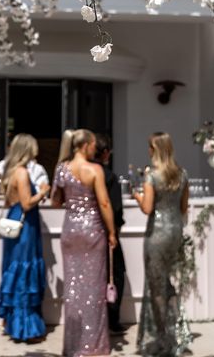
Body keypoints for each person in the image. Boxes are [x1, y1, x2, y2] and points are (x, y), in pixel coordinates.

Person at [51, 128, 117, 357]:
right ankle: (93, 345)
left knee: (73, 288)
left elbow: (55, 202)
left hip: (70, 230)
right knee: (94, 289)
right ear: (86, 145)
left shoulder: (61, 169)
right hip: (92, 231)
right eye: (92, 144)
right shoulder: (95, 169)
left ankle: (74, 344)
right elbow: (105, 203)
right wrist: (112, 232)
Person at [132, 132, 192, 357]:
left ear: (155, 150)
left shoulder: (152, 176)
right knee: (166, 283)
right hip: (175, 231)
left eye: (150, 147)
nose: (148, 151)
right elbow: (184, 207)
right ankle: (175, 331)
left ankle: (163, 338)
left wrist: (138, 197)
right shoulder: (182, 174)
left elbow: (148, 208)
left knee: (157, 286)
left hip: (157, 233)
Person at [0, 134, 51, 342]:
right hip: (25, 225)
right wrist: (43, 192)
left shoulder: (10, 171)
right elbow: (27, 203)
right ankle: (25, 327)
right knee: (24, 269)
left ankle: (12, 320)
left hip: (15, 221)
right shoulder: (21, 173)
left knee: (14, 267)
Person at [92, 133, 127, 335]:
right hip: (106, 232)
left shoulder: (84, 173)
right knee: (116, 275)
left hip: (87, 230)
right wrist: (114, 231)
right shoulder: (108, 176)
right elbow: (114, 208)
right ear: (105, 153)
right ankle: (112, 318)